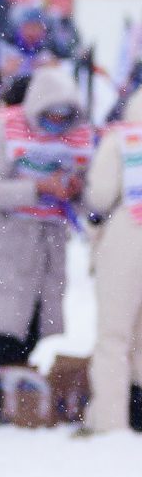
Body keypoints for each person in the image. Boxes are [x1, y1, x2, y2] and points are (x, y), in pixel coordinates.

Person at [0, 65, 90, 424]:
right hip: (6, 242)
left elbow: (87, 196)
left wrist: (74, 191)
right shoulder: (4, 129)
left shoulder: (78, 139)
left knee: (33, 321)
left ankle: (16, 388)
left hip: (48, 243)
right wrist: (38, 188)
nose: (57, 121)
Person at [83, 92, 142, 434]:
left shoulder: (121, 140)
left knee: (113, 336)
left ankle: (109, 419)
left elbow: (100, 195)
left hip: (127, 234)